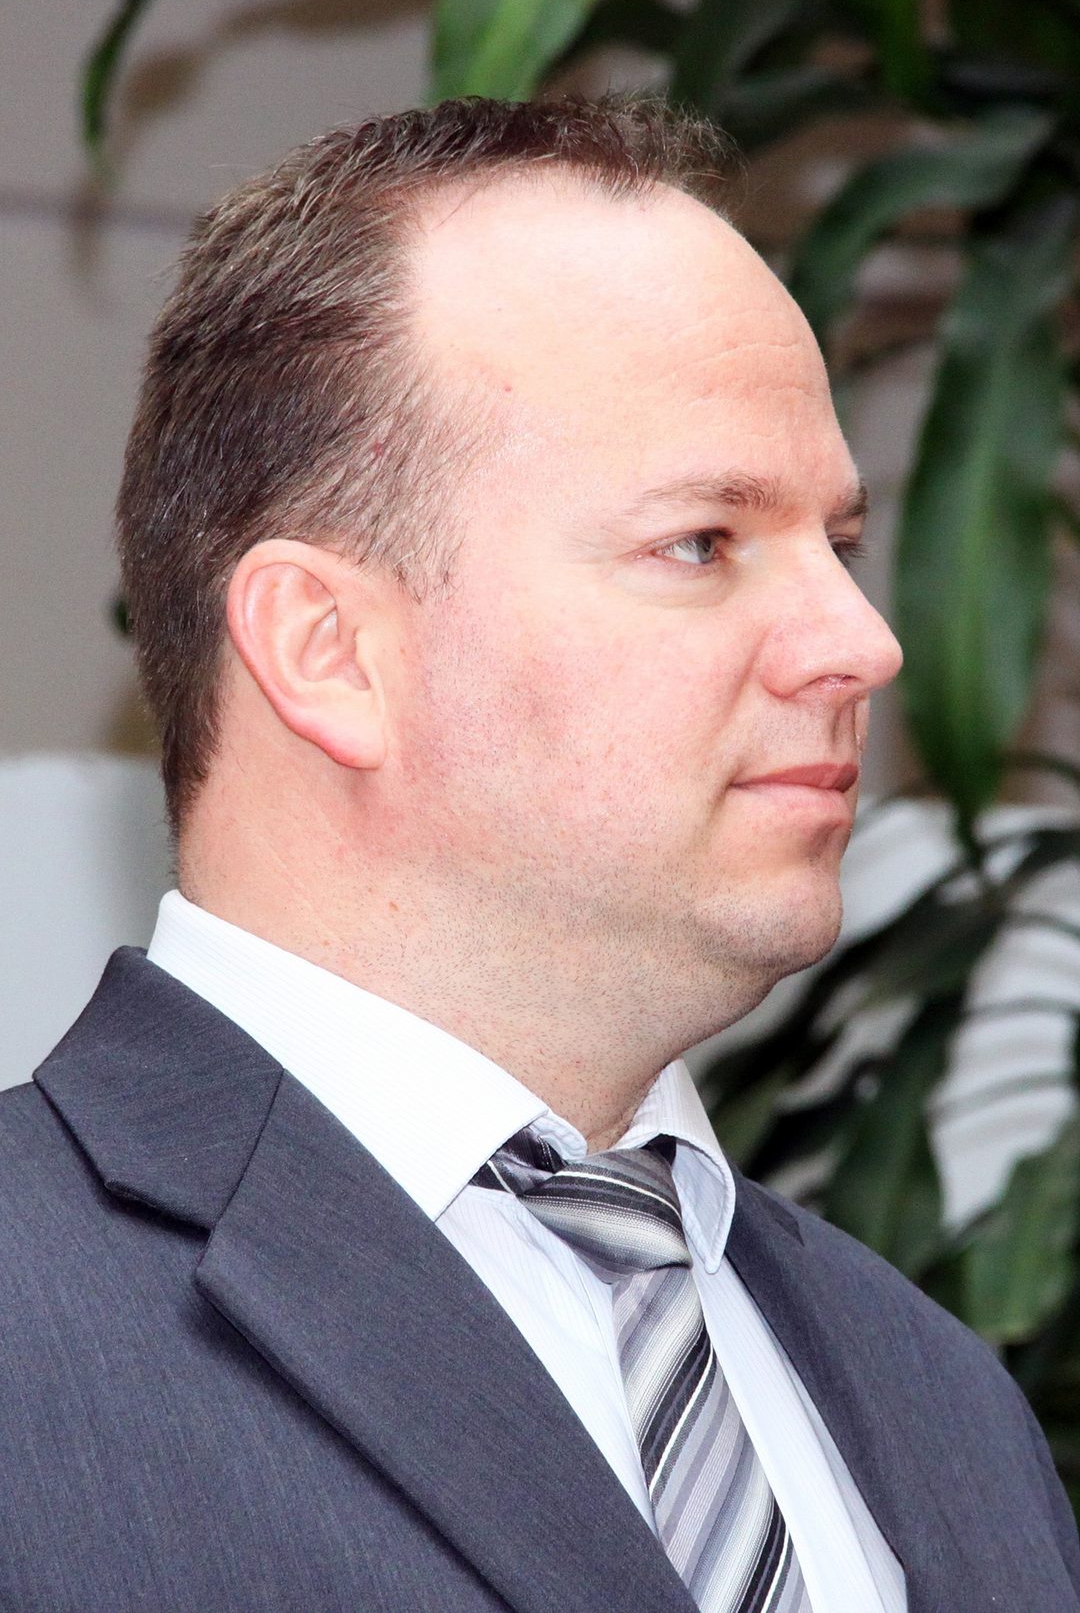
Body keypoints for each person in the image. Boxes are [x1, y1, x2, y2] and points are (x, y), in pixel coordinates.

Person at [2, 94, 1077, 1613]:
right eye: (701, 543)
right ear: (327, 652)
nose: (863, 641)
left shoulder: (944, 1403)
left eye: (838, 546)